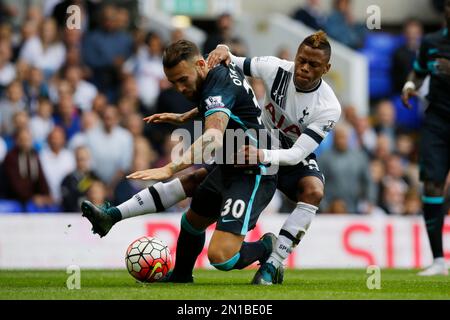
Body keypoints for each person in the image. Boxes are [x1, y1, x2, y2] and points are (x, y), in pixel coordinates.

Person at [81, 31, 341, 285]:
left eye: (183, 80)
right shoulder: (268, 69)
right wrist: (222, 48)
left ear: (326, 68)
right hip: (240, 153)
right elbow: (229, 62)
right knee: (192, 216)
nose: (304, 68)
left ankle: (268, 251)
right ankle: (173, 268)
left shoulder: (327, 106)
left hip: (260, 162)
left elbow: (219, 134)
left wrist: (169, 167)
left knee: (222, 256)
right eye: (301, 61)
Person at [401, 0, 450, 276]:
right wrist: (410, 85)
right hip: (437, 121)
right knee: (431, 186)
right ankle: (438, 260)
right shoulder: (430, 41)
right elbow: (419, 71)